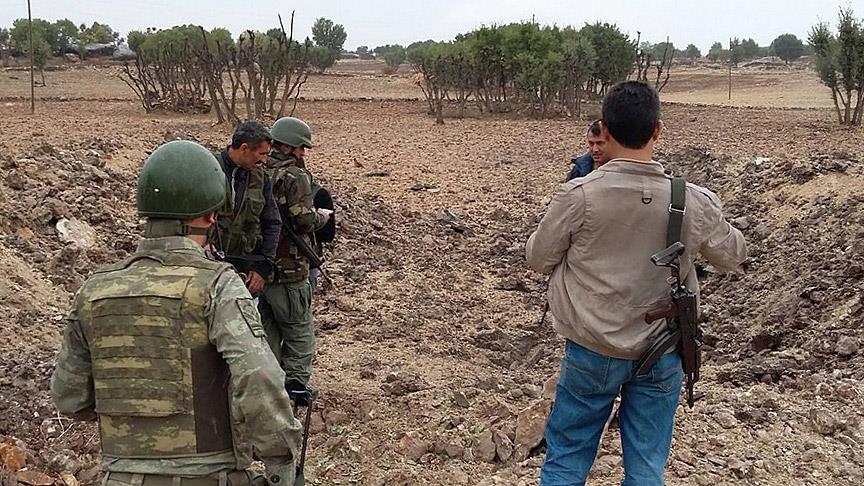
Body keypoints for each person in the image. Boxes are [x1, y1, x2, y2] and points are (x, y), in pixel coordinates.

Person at [526, 81, 747, 486]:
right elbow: (733, 255)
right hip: (662, 352)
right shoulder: (691, 199)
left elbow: (538, 259)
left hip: (591, 349)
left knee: (566, 461)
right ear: (658, 130)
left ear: (606, 131)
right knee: (646, 469)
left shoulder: (578, 195)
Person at [50, 140, 302, 486]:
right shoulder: (216, 285)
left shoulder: (93, 291)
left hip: (119, 476)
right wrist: (280, 461)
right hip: (207, 475)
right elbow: (258, 376)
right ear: (211, 215)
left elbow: (69, 398)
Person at [261, 116, 330, 402]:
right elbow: (303, 221)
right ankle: (296, 385)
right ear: (289, 146)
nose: (303, 153)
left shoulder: (258, 170)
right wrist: (322, 218)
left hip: (261, 268)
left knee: (267, 331)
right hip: (290, 269)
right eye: (301, 147)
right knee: (299, 330)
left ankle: (271, 385)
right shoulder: (295, 176)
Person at [214, 120, 281, 296]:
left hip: (245, 276)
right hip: (209, 270)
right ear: (244, 148)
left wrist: (263, 267)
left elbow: (272, 223)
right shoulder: (209, 169)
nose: (264, 160)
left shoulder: (261, 179)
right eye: (262, 154)